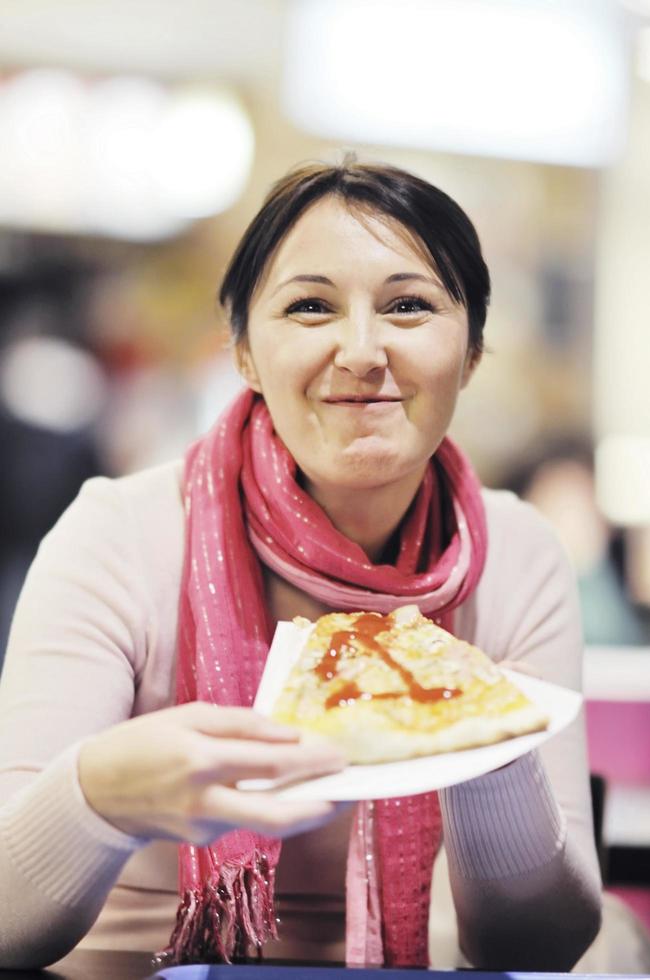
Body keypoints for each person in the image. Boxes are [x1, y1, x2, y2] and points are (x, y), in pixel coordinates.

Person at [0, 160, 602, 971]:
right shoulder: (120, 533)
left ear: (471, 353)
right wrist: (99, 794)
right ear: (244, 352)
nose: (360, 351)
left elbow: (544, 943)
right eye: (310, 305)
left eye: (408, 305)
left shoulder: (516, 553)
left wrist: (474, 737)